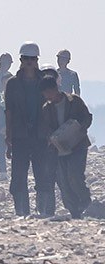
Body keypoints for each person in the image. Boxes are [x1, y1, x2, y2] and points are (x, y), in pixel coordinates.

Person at [5, 42, 56, 217]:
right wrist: (8, 134)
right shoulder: (12, 83)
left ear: (37, 60)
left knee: (42, 172)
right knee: (18, 174)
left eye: (32, 58)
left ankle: (43, 210)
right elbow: (9, 109)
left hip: (41, 134)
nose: (29, 62)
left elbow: (53, 106)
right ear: (21, 59)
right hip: (20, 134)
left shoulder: (45, 81)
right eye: (26, 58)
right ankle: (21, 210)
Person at [40, 75, 92, 219]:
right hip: (61, 148)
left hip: (78, 146)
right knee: (63, 180)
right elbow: (47, 128)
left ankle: (86, 202)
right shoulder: (46, 108)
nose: (47, 96)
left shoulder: (74, 101)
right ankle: (74, 210)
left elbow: (87, 117)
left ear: (55, 89)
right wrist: (53, 138)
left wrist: (79, 129)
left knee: (75, 174)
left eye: (48, 92)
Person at [0, 73, 11, 181]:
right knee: (0, 150)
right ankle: (3, 172)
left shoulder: (16, 96)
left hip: (14, 127)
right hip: (0, 128)